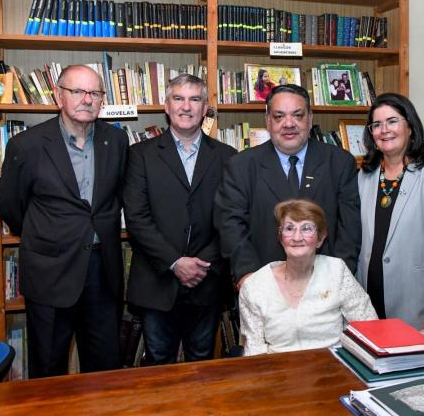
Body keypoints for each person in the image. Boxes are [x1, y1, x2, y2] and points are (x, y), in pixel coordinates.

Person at [0, 65, 129, 378]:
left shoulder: (117, 141)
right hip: (50, 274)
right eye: (77, 91)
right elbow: (12, 207)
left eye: (94, 93)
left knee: (105, 368)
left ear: (102, 99)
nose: (86, 99)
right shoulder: (26, 146)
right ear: (58, 95)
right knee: (48, 368)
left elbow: (118, 195)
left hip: (102, 272)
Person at [123, 75, 236, 364]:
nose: (186, 107)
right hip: (157, 281)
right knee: (159, 361)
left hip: (206, 281)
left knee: (201, 362)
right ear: (166, 106)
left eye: (194, 99)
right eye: (179, 98)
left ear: (205, 108)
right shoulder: (140, 155)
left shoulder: (228, 157)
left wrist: (200, 264)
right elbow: (136, 218)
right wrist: (176, 262)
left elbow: (231, 218)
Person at [215, 84, 361, 289]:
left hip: (326, 287)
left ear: (310, 119)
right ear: (268, 121)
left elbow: (350, 229)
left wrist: (338, 278)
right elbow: (230, 225)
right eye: (279, 116)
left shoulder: (339, 162)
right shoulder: (241, 166)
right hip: (263, 285)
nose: (288, 123)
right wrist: (248, 276)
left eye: (297, 115)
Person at [357, 93, 424, 329]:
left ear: (410, 127)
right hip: (367, 300)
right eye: (377, 125)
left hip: (418, 304)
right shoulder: (364, 177)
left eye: (392, 121)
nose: (384, 130)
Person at [239, 199, 376, 355]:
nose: (297, 237)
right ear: (280, 237)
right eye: (289, 228)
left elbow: (368, 327)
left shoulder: (337, 271)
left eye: (306, 228)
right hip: (278, 372)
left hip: (334, 370)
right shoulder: (255, 286)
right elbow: (254, 352)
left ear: (320, 238)